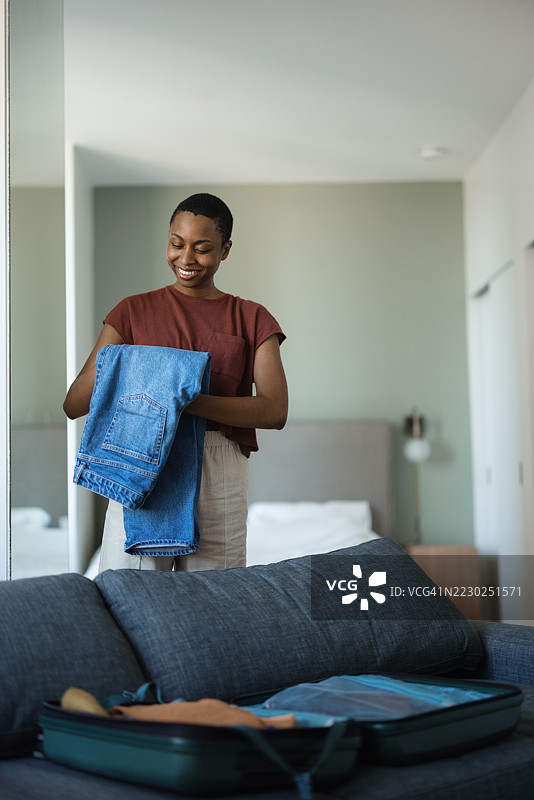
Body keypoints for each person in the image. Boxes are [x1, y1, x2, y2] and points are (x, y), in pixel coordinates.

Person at [63, 193, 288, 572]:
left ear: (225, 250)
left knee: (213, 593)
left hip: (217, 464)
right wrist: (132, 365)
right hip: (139, 453)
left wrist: (180, 399)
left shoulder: (251, 318)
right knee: (131, 590)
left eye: (202, 248)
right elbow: (73, 404)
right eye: (176, 244)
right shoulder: (131, 312)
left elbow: (274, 410)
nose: (186, 258)